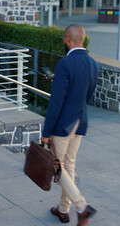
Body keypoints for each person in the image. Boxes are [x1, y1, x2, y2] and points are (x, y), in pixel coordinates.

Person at [41, 24, 99, 226]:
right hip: (80, 121)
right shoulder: (93, 64)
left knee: (58, 167)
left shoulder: (64, 64)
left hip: (63, 125)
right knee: (69, 165)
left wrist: (46, 132)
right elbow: (87, 96)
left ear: (67, 39)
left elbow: (56, 102)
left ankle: (82, 207)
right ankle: (63, 210)